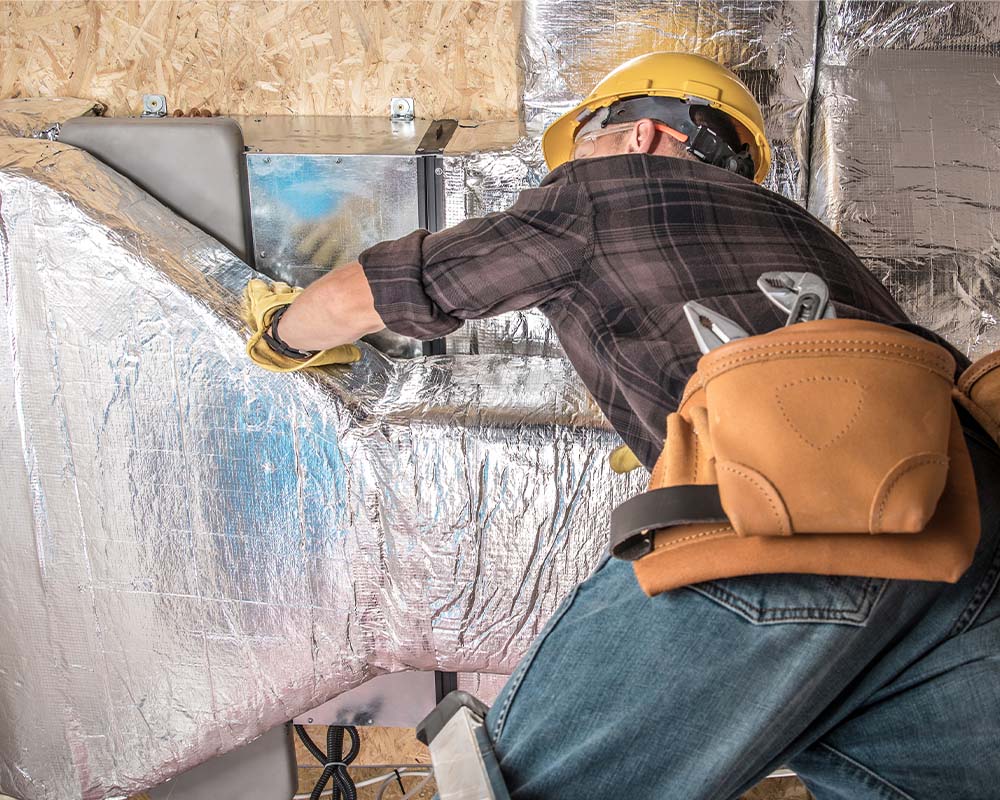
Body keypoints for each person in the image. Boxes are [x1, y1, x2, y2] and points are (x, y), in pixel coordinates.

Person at [243, 53, 1000, 799]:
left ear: (637, 134)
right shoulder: (807, 234)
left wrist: (282, 331)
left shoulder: (603, 191)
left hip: (790, 509)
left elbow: (381, 293)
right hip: (963, 522)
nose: (567, 167)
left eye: (583, 143)